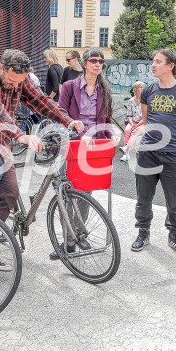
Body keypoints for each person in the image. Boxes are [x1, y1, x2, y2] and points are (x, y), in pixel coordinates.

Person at [0, 49, 84, 275]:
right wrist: (20, 135)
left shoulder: (20, 79)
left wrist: (67, 120)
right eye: (12, 81)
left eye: (20, 83)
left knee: (10, 192)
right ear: (1, 68)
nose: (16, 86)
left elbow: (40, 100)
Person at [53, 47, 118, 259]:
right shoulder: (70, 87)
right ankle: (68, 240)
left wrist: (111, 136)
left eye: (101, 61)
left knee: (85, 193)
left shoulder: (104, 89)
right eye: (93, 60)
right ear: (84, 63)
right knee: (66, 194)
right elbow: (60, 116)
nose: (98, 64)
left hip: (93, 148)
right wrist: (80, 134)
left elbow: (106, 119)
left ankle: (79, 235)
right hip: (72, 145)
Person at [131, 48, 176, 255]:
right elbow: (147, 120)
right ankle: (143, 232)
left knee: (174, 198)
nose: (153, 65)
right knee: (143, 197)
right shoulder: (148, 91)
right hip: (147, 153)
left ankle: (174, 235)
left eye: (158, 61)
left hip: (172, 154)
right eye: (153, 61)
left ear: (170, 65)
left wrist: (172, 140)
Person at [120, 81, 145, 162]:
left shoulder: (145, 101)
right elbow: (129, 115)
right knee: (127, 130)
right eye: (141, 87)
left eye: (143, 88)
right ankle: (126, 155)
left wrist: (136, 125)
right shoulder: (131, 101)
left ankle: (126, 149)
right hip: (132, 122)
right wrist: (131, 124)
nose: (143, 89)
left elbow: (145, 117)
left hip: (142, 124)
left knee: (135, 131)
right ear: (135, 89)